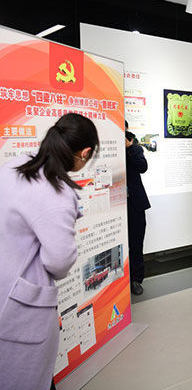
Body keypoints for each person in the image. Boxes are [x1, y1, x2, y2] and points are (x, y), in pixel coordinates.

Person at [0, 113, 99, 390]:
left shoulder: (13, 167)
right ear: (84, 153)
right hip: (19, 306)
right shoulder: (56, 192)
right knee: (27, 379)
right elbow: (59, 262)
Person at [125, 121, 151, 296]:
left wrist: (129, 147)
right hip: (112, 204)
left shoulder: (134, 147)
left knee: (136, 242)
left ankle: (135, 280)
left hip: (134, 202)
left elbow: (143, 167)